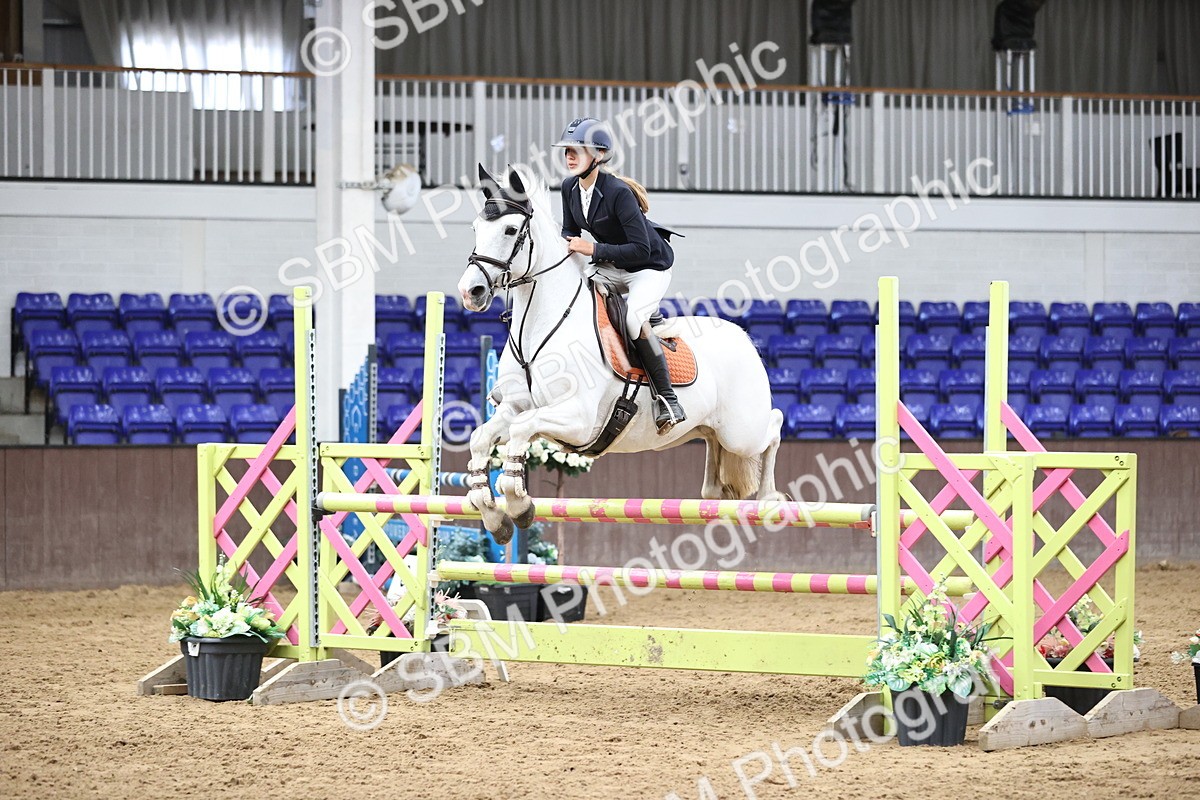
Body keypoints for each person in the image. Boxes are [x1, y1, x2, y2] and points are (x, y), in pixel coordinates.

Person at [553, 117, 686, 434]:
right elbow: (570, 233)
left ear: (597, 155)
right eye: (567, 150)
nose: (570, 156)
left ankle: (667, 400)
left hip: (648, 267)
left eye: (577, 150)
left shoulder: (618, 193)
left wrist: (594, 249)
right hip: (612, 266)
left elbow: (640, 249)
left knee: (631, 321)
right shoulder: (569, 187)